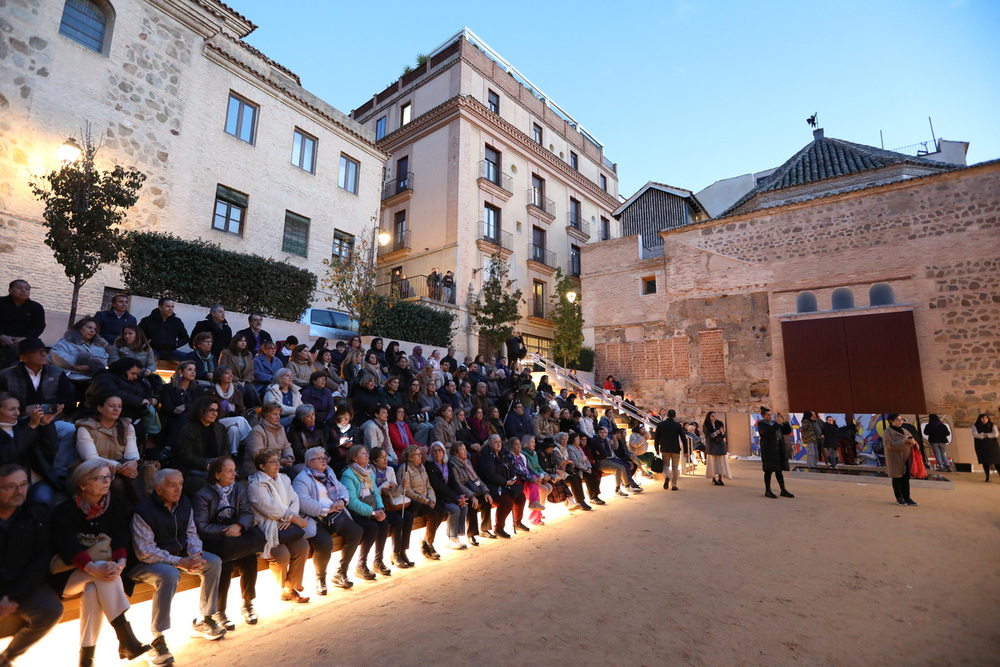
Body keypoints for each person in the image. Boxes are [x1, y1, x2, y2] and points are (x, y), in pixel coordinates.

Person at [51, 458, 150, 666]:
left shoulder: (114, 504)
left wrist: (120, 562)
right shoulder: (65, 511)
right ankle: (126, 639)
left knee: (94, 590)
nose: (106, 481)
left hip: (105, 570)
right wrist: (93, 568)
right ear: (83, 484)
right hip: (69, 574)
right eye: (99, 478)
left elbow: (121, 535)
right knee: (106, 577)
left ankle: (86, 658)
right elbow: (67, 546)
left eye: (108, 476)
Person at [128, 468, 225, 666]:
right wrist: (179, 562)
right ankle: (157, 639)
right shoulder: (143, 511)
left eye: (180, 484)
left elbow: (191, 533)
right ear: (158, 489)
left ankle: (206, 619)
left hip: (178, 555)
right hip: (144, 563)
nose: (178, 489)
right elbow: (145, 552)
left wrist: (196, 555)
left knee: (213, 562)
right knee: (170, 575)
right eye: (172, 485)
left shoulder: (184, 503)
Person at [192, 455, 266, 629]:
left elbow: (248, 513)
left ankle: (247, 604)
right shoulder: (203, 495)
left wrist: (239, 526)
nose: (234, 474)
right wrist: (226, 531)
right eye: (229, 471)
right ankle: (220, 612)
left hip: (236, 536)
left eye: (234, 470)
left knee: (250, 560)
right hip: (215, 541)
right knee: (223, 565)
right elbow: (201, 526)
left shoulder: (239, 490)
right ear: (217, 474)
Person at [0, 463, 63, 666]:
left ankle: (7, 658)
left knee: (51, 610)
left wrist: (13, 597)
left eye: (24, 484)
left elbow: (41, 560)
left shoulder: (35, 515)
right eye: (10, 486)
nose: (19, 491)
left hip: (20, 584)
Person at [0, 338, 76, 483]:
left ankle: (59, 472)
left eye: (44, 351)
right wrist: (24, 409)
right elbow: (2, 400)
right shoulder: (6, 375)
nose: (43, 354)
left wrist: (48, 407)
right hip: (18, 420)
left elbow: (71, 399)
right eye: (37, 352)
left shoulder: (57, 373)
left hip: (49, 418)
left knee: (70, 430)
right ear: (23, 357)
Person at [292, 447, 362, 593]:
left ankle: (341, 572)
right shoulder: (302, 479)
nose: (324, 461)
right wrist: (327, 509)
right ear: (310, 463)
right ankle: (321, 579)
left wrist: (342, 501)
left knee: (356, 532)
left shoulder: (328, 473)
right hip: (315, 518)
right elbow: (303, 502)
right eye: (320, 459)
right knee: (325, 544)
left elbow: (342, 489)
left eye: (325, 458)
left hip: (336, 514)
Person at [247, 449, 311, 603]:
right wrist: (291, 517)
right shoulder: (255, 484)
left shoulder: (284, 478)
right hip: (267, 527)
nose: (277, 464)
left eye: (278, 460)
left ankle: (291, 588)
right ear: (262, 466)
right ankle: (284, 588)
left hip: (287, 523)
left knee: (303, 546)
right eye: (273, 461)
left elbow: (294, 499)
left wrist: (290, 519)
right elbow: (269, 507)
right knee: (281, 556)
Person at [75, 394, 143, 504]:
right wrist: (118, 466)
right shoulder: (86, 428)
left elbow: (131, 452)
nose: (116, 409)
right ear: (100, 408)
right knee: (117, 483)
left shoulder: (127, 426)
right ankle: (135, 511)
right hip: (93, 470)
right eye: (112, 406)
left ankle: (140, 511)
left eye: (119, 406)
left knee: (131, 472)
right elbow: (91, 458)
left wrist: (134, 462)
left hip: (122, 469)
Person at [340, 445, 395, 578]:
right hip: (355, 513)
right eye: (363, 454)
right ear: (354, 458)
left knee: (384, 523)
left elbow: (376, 493)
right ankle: (361, 565)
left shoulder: (369, 471)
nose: (367, 456)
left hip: (371, 510)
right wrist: (372, 512)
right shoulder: (348, 475)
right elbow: (352, 501)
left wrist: (380, 509)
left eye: (366, 453)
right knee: (372, 527)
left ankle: (378, 561)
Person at [0, 393, 58, 507]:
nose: (17, 413)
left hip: (35, 480)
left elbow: (51, 450)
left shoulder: (24, 424)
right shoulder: (29, 426)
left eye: (18, 408)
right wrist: (30, 429)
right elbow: (5, 455)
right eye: (11, 409)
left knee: (43, 501)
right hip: (7, 483)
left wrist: (46, 425)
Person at [171, 396, 228, 496]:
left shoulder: (220, 428)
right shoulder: (188, 429)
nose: (215, 414)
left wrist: (222, 463)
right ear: (201, 411)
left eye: (216, 410)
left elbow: (226, 449)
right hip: (192, 468)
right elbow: (185, 455)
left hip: (215, 464)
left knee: (230, 482)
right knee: (202, 486)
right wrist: (205, 465)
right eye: (211, 410)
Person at [371, 446, 415, 567]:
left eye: (386, 456)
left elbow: (395, 492)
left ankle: (403, 551)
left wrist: (402, 486)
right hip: (378, 506)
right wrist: (386, 484)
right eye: (382, 457)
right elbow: (375, 492)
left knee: (409, 517)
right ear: (374, 461)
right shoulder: (371, 471)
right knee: (398, 520)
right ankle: (395, 554)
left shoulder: (390, 470)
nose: (385, 459)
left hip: (391, 504)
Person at [399, 444, 445, 560]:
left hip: (426, 500)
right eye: (417, 455)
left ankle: (426, 541)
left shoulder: (422, 467)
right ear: (410, 457)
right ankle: (428, 545)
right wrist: (426, 500)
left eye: (421, 454)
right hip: (415, 503)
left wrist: (432, 499)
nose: (420, 457)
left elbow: (428, 486)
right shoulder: (405, 469)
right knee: (433, 515)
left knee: (443, 511)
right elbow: (407, 491)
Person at [476, 434, 525, 538]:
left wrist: (511, 479)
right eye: (495, 442)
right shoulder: (486, 456)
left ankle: (518, 522)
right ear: (490, 444)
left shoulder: (502, 454)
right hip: (492, 487)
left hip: (505, 485)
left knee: (520, 496)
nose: (498, 444)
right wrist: (505, 482)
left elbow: (510, 467)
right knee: (507, 501)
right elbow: (489, 474)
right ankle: (498, 528)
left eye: (499, 442)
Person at [424, 441, 468, 550]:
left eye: (440, 450)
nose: (438, 452)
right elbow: (438, 487)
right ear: (431, 453)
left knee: (464, 506)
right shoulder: (429, 465)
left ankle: (456, 536)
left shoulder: (447, 463)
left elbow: (453, 482)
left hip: (449, 496)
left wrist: (461, 496)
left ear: (444, 451)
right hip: (439, 498)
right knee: (455, 509)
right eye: (435, 451)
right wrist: (456, 498)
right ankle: (452, 539)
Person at [448, 442, 490, 543]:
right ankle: (471, 534)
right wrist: (471, 496)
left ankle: (484, 529)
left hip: (473, 488)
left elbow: (476, 478)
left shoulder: (467, 462)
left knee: (487, 500)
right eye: (462, 450)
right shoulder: (452, 464)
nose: (466, 451)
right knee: (472, 504)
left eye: (465, 449)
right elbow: (458, 485)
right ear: (455, 453)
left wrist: (485, 491)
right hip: (461, 492)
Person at [158, 360, 205, 448]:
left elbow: (199, 406)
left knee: (185, 417)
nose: (193, 372)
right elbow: (167, 407)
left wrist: (185, 406)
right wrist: (178, 410)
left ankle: (169, 447)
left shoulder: (198, 389)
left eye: (194, 370)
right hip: (171, 418)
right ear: (181, 372)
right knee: (182, 418)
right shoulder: (168, 388)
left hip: (192, 419)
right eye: (189, 369)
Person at [0, 280, 46, 370]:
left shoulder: (36, 307)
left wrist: (25, 338)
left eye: (27, 289)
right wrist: (1, 336)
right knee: (9, 349)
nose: (23, 291)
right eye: (19, 288)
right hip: (3, 336)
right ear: (10, 290)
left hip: (24, 338)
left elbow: (39, 326)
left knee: (38, 347)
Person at [208, 366, 252, 454]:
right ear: (219, 376)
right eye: (227, 373)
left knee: (234, 430)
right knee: (240, 420)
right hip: (216, 422)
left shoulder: (237, 393)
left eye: (231, 373)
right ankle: (252, 440)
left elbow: (241, 411)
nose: (231, 375)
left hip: (234, 422)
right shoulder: (211, 392)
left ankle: (233, 453)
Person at [244, 403, 295, 477]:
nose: (278, 417)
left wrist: (289, 458)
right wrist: (280, 461)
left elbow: (286, 445)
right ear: (266, 416)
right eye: (275, 414)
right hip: (259, 469)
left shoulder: (281, 429)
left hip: (278, 465)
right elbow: (257, 455)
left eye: (279, 414)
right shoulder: (257, 431)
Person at [757, 408, 794, 499]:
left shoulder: (774, 423)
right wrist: (777, 424)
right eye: (768, 415)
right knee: (768, 470)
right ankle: (768, 490)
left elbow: (787, 431)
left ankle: (783, 489)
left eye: (771, 414)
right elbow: (768, 432)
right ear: (763, 416)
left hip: (778, 449)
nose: (770, 416)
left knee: (779, 470)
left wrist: (784, 422)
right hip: (769, 450)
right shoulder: (761, 424)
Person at [139, 298, 189, 362]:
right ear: (160, 307)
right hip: (152, 350)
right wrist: (147, 344)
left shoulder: (177, 321)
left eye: (172, 307)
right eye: (168, 306)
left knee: (190, 359)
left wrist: (175, 344)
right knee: (146, 360)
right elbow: (138, 335)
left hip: (171, 351)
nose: (171, 309)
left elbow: (185, 338)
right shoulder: (147, 320)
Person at [883, 414, 918, 504]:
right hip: (895, 458)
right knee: (897, 477)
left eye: (901, 419)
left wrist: (914, 442)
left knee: (906, 478)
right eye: (898, 420)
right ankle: (899, 497)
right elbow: (889, 444)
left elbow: (911, 439)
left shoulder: (904, 430)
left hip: (906, 457)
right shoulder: (887, 432)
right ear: (891, 420)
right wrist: (904, 441)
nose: (900, 421)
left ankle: (907, 497)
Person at [654, 410, 685, 491]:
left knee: (665, 465)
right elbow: (683, 438)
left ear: (667, 415)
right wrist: (686, 450)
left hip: (665, 448)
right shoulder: (677, 425)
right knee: (675, 467)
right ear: (674, 416)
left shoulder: (661, 424)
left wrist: (656, 448)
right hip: (675, 448)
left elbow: (656, 438)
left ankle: (667, 476)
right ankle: (674, 485)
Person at [703, 412, 731, 486]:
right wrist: (716, 432)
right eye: (712, 416)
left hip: (720, 445)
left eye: (715, 416)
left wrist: (721, 433)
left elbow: (724, 434)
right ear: (709, 417)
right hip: (712, 446)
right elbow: (708, 436)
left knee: (720, 463)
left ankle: (720, 478)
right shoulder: (706, 425)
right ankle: (713, 478)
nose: (714, 417)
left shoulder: (719, 423)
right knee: (712, 463)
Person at [972, 413, 999, 482]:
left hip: (992, 446)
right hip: (982, 446)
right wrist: (982, 436)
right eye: (983, 418)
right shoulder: (976, 426)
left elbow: (995, 434)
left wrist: (986, 435)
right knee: (985, 461)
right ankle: (987, 476)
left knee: (996, 461)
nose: (985, 420)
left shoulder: (992, 425)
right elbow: (975, 434)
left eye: (986, 418)